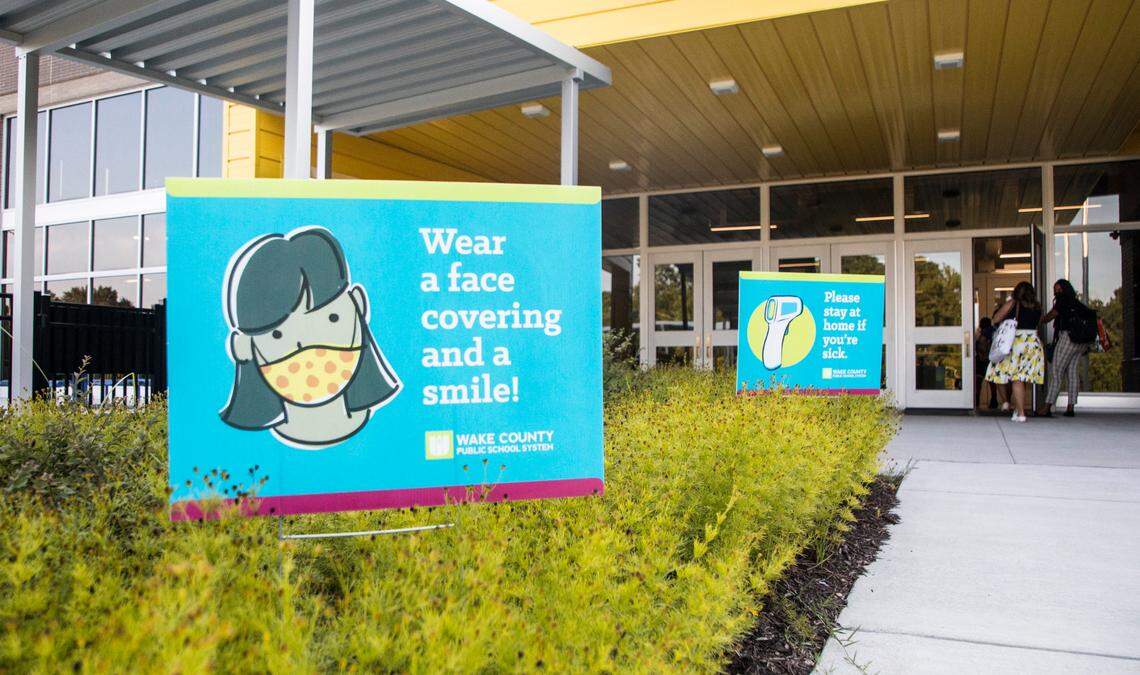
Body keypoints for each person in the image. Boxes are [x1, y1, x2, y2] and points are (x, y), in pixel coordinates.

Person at [984, 281, 1044, 422]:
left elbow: (996, 319)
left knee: (1016, 378)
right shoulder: (1037, 307)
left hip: (1016, 342)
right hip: (1032, 342)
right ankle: (1018, 409)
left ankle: (1021, 413)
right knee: (1022, 378)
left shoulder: (1013, 303)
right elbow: (1039, 323)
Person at [1038, 279, 1093, 418]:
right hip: (1081, 342)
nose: (1056, 292)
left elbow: (1051, 316)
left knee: (1056, 371)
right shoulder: (1076, 302)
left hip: (1068, 337)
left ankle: (1047, 406)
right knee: (1072, 372)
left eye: (1057, 289)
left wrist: (1039, 320)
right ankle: (1070, 406)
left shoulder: (1062, 302)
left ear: (1063, 290)